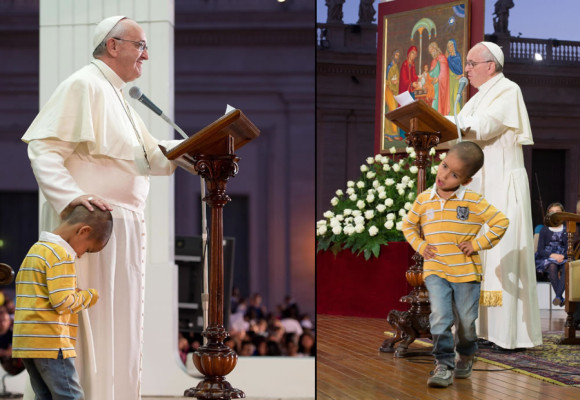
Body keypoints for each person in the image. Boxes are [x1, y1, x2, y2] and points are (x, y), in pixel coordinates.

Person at [21, 16, 182, 399]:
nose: (147, 54)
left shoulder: (119, 97)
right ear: (113, 46)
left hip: (120, 229)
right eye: (140, 45)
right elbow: (42, 147)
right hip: (87, 230)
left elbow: (149, 156)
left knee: (116, 326)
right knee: (90, 326)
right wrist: (70, 198)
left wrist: (192, 151)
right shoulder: (84, 84)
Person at [453, 41, 542, 350]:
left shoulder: (508, 90)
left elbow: (486, 128)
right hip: (480, 186)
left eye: (471, 63)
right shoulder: (475, 99)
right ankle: (478, 329)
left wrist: (452, 123)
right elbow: (459, 128)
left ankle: (507, 335)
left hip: (502, 185)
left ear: (490, 66)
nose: (466, 69)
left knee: (501, 255)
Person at [403, 141, 509, 388]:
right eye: (443, 166)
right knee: (440, 317)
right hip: (435, 270)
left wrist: (477, 244)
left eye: (454, 175)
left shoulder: (472, 200)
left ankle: (467, 353)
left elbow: (500, 222)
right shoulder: (423, 200)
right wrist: (420, 245)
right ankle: (444, 365)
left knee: (466, 324)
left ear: (466, 180)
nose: (443, 175)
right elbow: (408, 225)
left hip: (466, 273)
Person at [12, 205, 112, 399]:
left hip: (26, 341)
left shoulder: (36, 249)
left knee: (44, 395)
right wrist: (89, 296)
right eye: (88, 249)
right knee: (70, 395)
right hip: (49, 342)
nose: (81, 255)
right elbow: (62, 302)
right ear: (83, 231)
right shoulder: (61, 255)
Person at [535, 203, 568, 307]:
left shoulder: (566, 229)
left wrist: (562, 255)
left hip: (563, 255)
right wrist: (553, 255)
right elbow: (540, 249)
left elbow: (569, 246)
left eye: (557, 212)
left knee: (567, 267)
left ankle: (558, 296)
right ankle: (559, 297)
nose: (555, 214)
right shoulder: (545, 230)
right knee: (552, 267)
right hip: (549, 256)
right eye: (552, 212)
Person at [428, 41, 450, 116]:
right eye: (430, 51)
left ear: (435, 49)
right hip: (434, 86)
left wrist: (438, 78)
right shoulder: (434, 61)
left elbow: (444, 72)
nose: (431, 53)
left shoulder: (442, 58)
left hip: (440, 86)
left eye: (431, 50)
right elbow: (431, 73)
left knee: (436, 105)